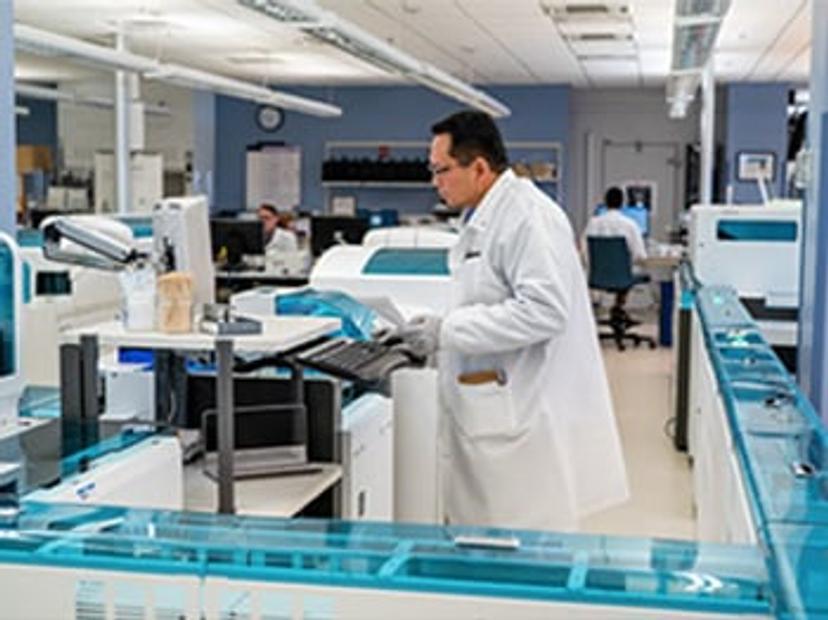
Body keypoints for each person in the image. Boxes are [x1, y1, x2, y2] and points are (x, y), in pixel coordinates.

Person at [398, 110, 628, 531]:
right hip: (496, 410)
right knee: (489, 549)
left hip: (523, 420)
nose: (435, 182)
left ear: (480, 167)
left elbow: (544, 309)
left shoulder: (527, 216)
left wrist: (445, 331)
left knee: (524, 554)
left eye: (441, 170)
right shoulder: (486, 216)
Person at [581, 187, 647, 265]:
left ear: (605, 202)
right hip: (623, 275)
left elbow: (584, 251)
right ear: (622, 203)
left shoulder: (592, 224)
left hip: (597, 275)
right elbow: (640, 255)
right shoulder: (630, 225)